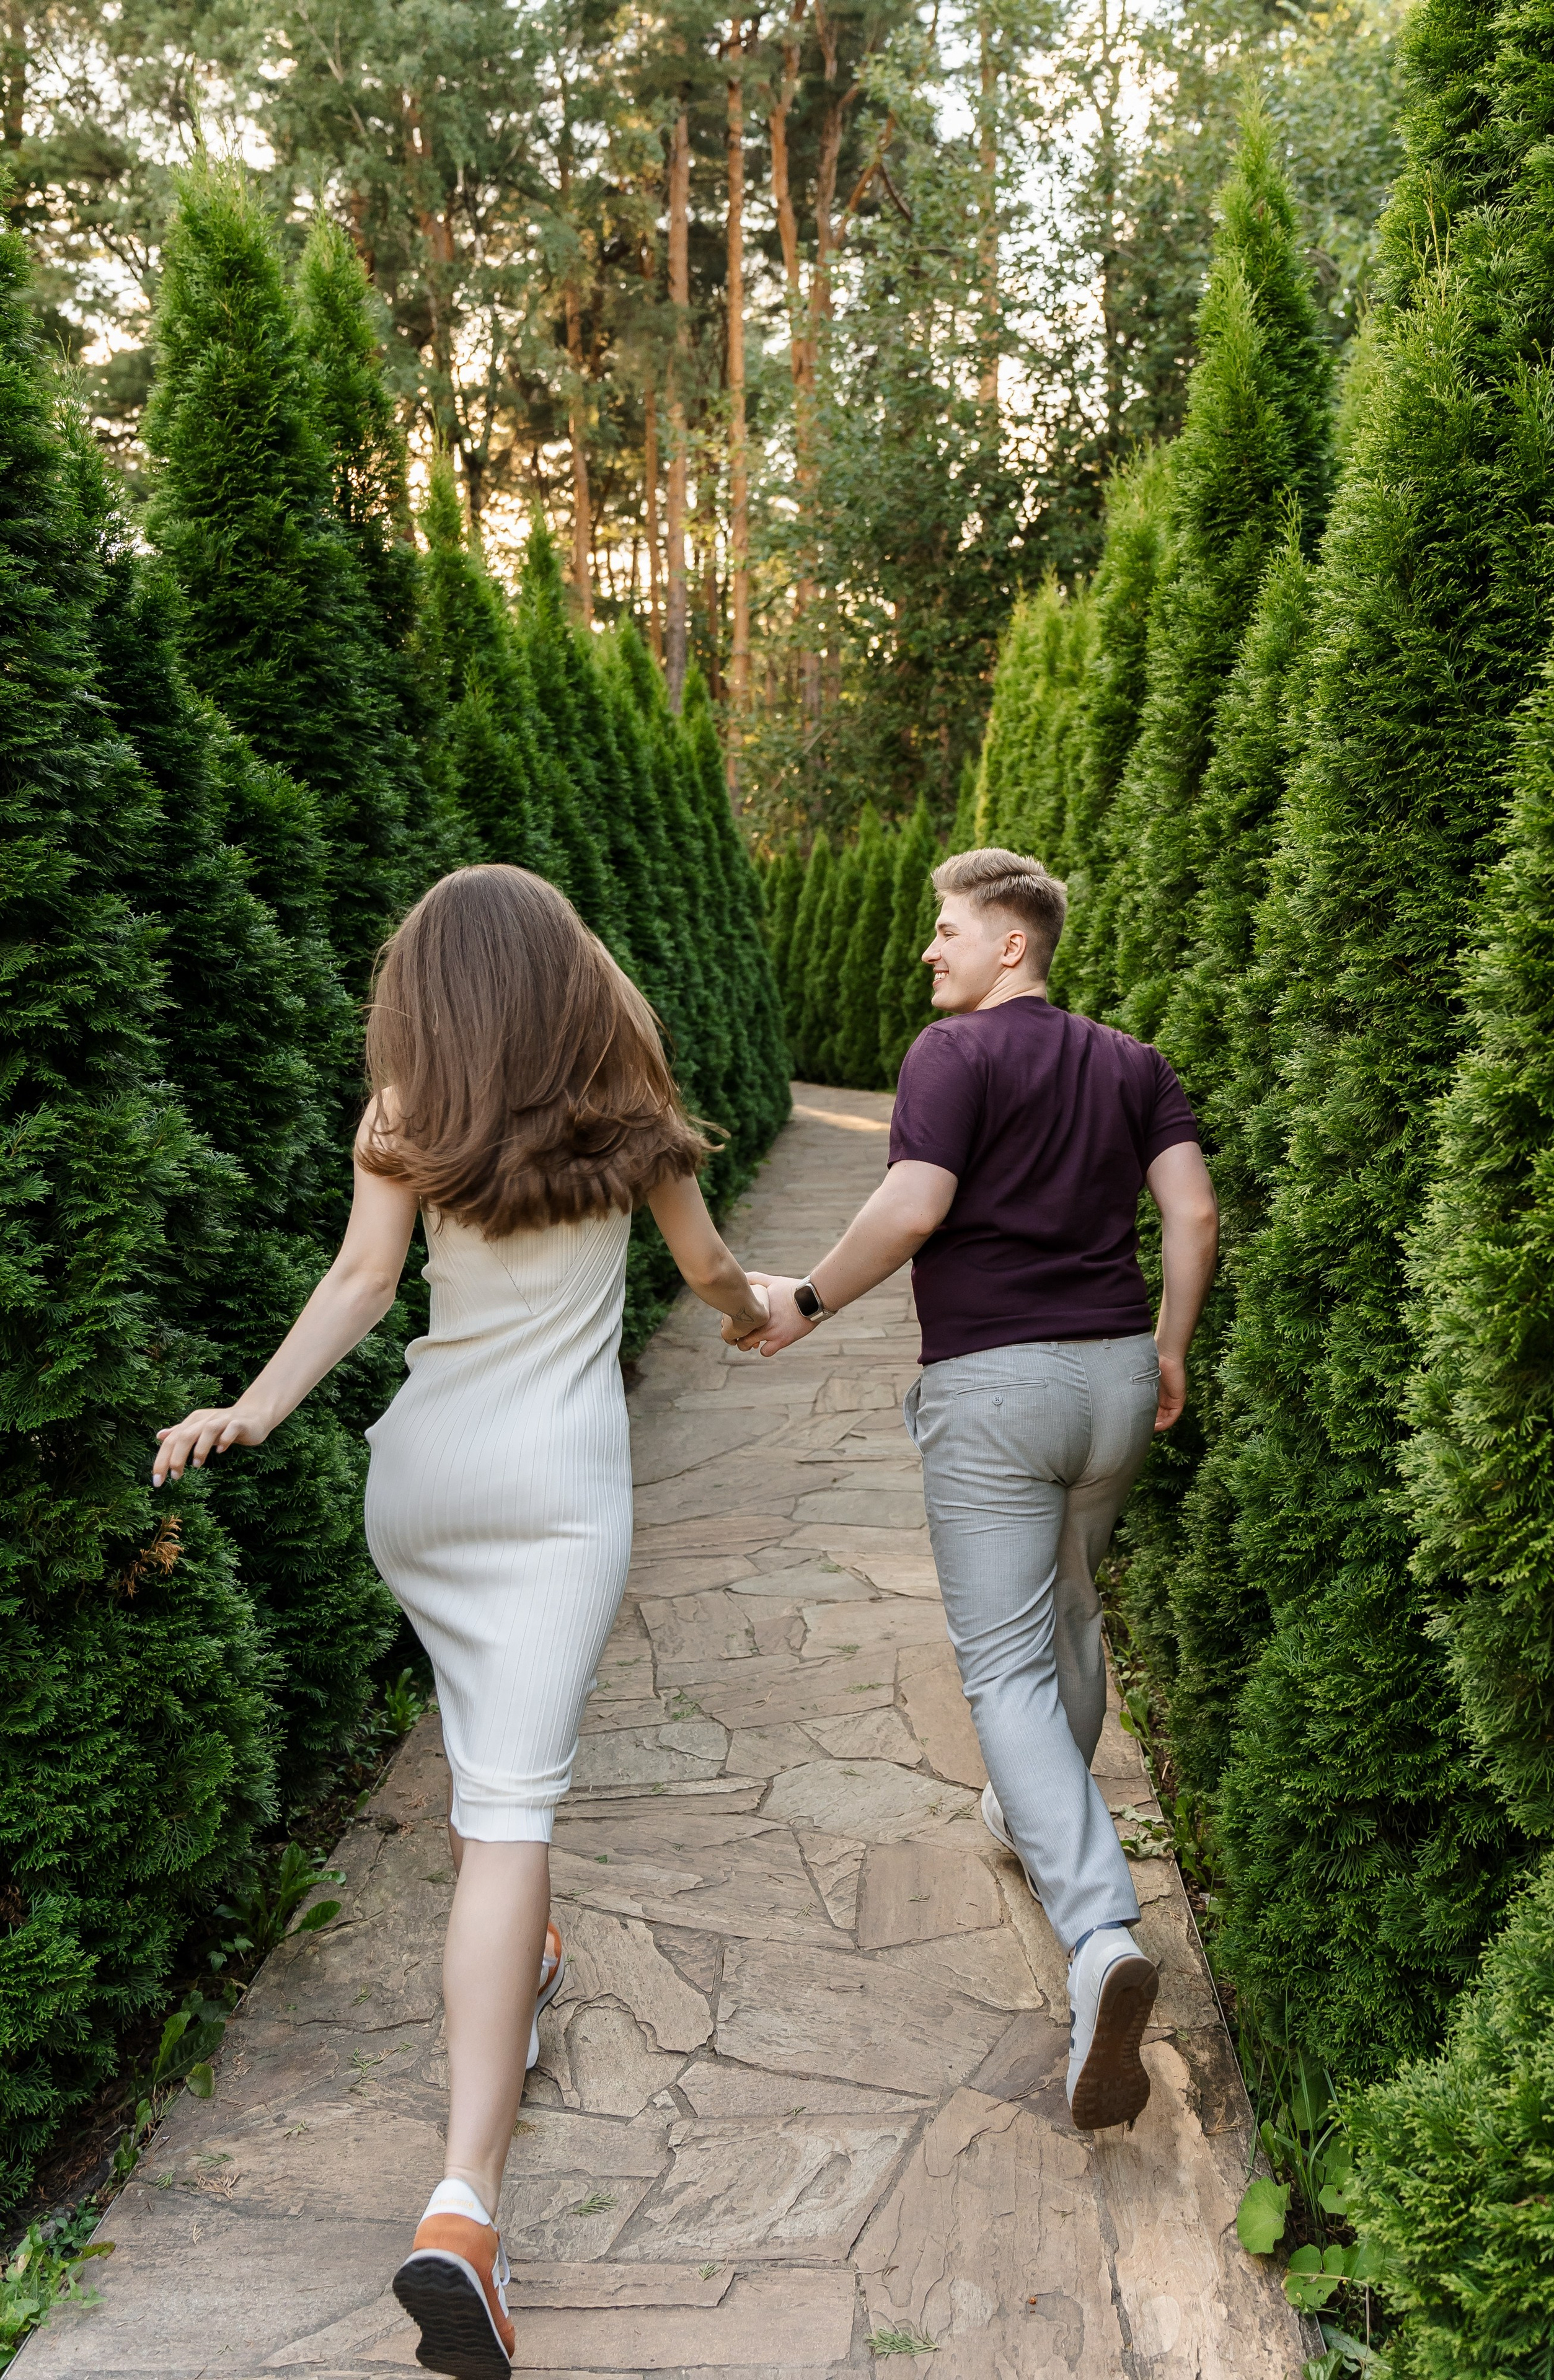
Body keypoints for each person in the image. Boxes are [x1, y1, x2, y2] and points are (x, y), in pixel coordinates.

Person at [152, 865, 769, 2380]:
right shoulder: (631, 1114)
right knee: (510, 1813)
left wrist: (252, 1408)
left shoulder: (402, 1115)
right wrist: (763, 1314)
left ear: (428, 991)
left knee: (482, 1745)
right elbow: (708, 1274)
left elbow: (362, 1279)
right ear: (571, 974)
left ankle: (525, 1955)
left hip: (420, 1482)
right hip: (556, 1497)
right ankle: (463, 2209)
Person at [739, 845, 1217, 2131]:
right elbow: (1192, 1215)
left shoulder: (949, 1055)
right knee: (1069, 1616)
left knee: (1003, 1665)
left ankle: (1098, 1934)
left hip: (995, 1387)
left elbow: (912, 1206)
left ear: (1013, 941)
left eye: (945, 930)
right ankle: (1030, 1812)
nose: (926, 950)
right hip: (1114, 1379)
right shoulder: (1134, 1063)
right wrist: (1170, 1346)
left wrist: (802, 1302)